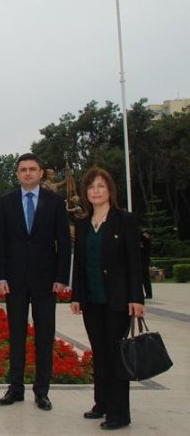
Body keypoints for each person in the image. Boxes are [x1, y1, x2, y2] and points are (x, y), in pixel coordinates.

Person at [0, 153, 71, 411]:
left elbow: (65, 243)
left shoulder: (56, 202)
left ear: (40, 173)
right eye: (23, 169)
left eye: (32, 169)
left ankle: (42, 391)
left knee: (45, 337)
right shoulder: (6, 202)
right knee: (16, 336)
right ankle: (15, 389)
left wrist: (62, 277)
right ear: (17, 174)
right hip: (13, 282)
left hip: (46, 281)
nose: (27, 173)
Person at [70, 167, 144, 430]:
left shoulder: (124, 220)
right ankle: (101, 403)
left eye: (100, 186)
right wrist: (76, 295)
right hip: (92, 299)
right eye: (91, 187)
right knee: (99, 354)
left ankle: (119, 413)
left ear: (110, 190)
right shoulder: (83, 224)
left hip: (118, 299)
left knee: (115, 355)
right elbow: (79, 264)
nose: (96, 191)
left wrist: (137, 298)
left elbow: (135, 262)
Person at [140, 231, 153, 299]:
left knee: (145, 279)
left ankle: (148, 294)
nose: (145, 235)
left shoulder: (147, 241)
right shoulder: (143, 240)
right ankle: (146, 294)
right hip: (142, 262)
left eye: (146, 234)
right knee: (143, 279)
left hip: (144, 262)